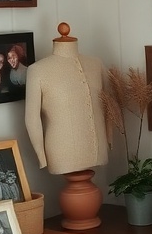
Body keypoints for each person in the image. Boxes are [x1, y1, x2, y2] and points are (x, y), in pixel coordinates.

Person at [25, 24, 108, 175]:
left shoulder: (96, 64)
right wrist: (41, 156)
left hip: (98, 146)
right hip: (62, 151)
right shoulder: (37, 70)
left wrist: (109, 140)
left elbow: (109, 106)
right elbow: (32, 118)